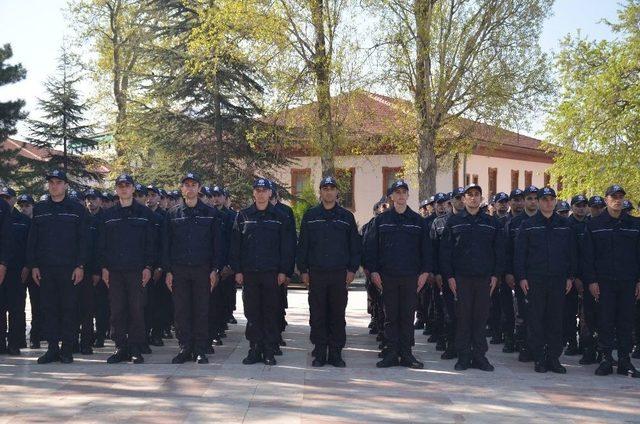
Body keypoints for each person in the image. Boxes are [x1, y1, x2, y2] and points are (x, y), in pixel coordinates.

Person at [364, 179, 432, 369]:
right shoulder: (381, 221)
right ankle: (392, 352)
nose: (401, 196)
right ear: (391, 197)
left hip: (411, 276)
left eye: (404, 192)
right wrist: (374, 272)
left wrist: (425, 272)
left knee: (407, 316)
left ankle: (407, 353)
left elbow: (426, 250)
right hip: (388, 277)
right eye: (397, 192)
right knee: (390, 316)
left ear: (408, 196)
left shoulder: (418, 221)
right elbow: (371, 249)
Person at [297, 176, 361, 367]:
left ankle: (335, 352)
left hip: (339, 274)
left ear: (337, 192)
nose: (329, 192)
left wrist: (352, 270)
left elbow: (354, 247)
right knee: (317, 314)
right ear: (320, 192)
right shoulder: (311, 215)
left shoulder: (346, 217)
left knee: (337, 314)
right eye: (325, 188)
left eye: (332, 188)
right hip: (316, 273)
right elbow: (303, 246)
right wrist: (303, 270)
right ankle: (320, 352)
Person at [230, 178, 294, 366]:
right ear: (253, 193)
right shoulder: (243, 215)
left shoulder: (280, 216)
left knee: (270, 312)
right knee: (252, 313)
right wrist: (238, 270)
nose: (260, 193)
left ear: (270, 193)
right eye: (257, 190)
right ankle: (254, 349)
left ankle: (269, 350)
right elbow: (236, 246)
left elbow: (287, 246)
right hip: (250, 273)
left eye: (264, 190)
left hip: (271, 274)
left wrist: (284, 270)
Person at [27, 170, 88, 364]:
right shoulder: (40, 208)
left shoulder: (77, 209)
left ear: (66, 185)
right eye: (51, 182)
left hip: (69, 269)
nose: (54, 186)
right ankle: (52, 349)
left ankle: (67, 350)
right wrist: (34, 265)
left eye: (58, 182)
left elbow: (83, 241)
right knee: (48, 309)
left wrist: (80, 265)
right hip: (46, 268)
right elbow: (33, 240)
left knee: (69, 309)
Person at [440, 183, 504, 372]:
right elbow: (446, 252)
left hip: (484, 279)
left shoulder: (491, 222)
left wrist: (495, 275)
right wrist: (449, 276)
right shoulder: (454, 221)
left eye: (477, 195)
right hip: (461, 278)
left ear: (481, 198)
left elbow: (498, 251)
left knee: (480, 318)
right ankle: (463, 357)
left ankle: (479, 356)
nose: (473, 198)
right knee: (463, 318)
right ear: (464, 199)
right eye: (470, 195)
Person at [514, 187, 577, 373]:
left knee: (556, 320)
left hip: (558, 280)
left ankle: (554, 358)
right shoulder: (529, 224)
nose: (548, 202)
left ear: (555, 201)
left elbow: (571, 254)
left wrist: (570, 277)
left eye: (551, 199)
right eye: (544, 199)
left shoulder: (565, 225)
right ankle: (539, 357)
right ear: (539, 202)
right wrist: (522, 277)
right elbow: (520, 254)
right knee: (536, 319)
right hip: (536, 280)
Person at [163, 172, 223, 364]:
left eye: (193, 185)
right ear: (182, 189)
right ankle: (184, 347)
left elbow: (217, 244)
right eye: (186, 185)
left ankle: (200, 349)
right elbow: (166, 245)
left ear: (199, 188)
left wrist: (215, 269)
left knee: (201, 310)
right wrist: (168, 271)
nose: (189, 188)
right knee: (181, 311)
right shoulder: (172, 214)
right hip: (179, 269)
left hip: (202, 269)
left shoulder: (210, 213)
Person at [98, 174, 156, 364]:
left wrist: (148, 266)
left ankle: (136, 348)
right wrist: (104, 267)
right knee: (117, 310)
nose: (123, 189)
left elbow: (151, 243)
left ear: (133, 189)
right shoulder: (108, 215)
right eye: (120, 186)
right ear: (116, 189)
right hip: (115, 271)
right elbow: (103, 245)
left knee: (136, 309)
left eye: (127, 185)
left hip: (137, 270)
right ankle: (120, 347)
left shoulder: (145, 213)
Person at [583, 185, 640, 377]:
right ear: (606, 200)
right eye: (613, 197)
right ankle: (607, 359)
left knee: (626, 322)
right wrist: (591, 281)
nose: (617, 200)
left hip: (628, 282)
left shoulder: (634, 224)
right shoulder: (594, 224)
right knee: (605, 321)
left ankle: (624, 361)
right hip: (604, 282)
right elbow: (588, 256)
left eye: (620, 197)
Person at [504, 186, 539, 362]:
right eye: (529, 198)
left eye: (535, 198)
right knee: (523, 312)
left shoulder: (544, 220)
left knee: (540, 313)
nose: (533, 201)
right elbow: (508, 251)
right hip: (521, 276)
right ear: (524, 201)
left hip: (541, 276)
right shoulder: (515, 223)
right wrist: (509, 273)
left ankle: (538, 347)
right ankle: (524, 346)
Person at [0, 187, 29, 355]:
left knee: (16, 308)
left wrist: (27, 266)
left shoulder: (24, 220)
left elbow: (29, 246)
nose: (5, 200)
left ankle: (15, 342)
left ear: (13, 199)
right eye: (2, 197)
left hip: (16, 270)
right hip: (1, 268)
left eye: (7, 197)